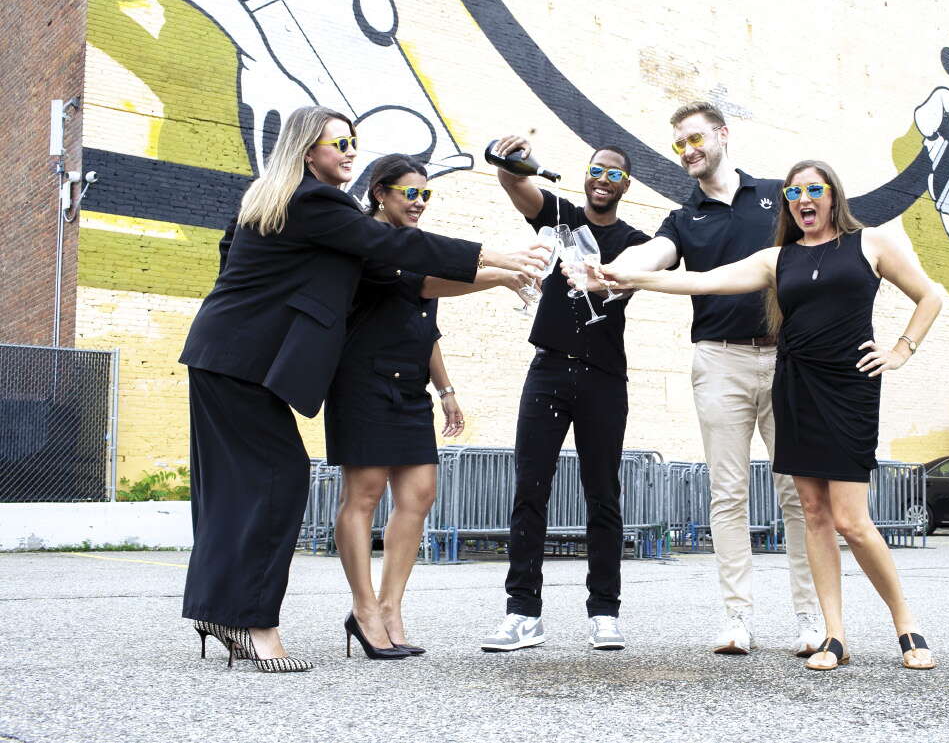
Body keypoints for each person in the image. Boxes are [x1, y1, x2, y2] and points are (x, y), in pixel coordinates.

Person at [180, 106, 545, 672]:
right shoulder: (314, 201)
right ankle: (254, 624)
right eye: (339, 143)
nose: (350, 151)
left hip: (226, 354)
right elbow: (402, 249)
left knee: (232, 488)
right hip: (240, 361)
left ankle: (219, 611)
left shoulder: (279, 202)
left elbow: (392, 272)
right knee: (277, 479)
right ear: (308, 152)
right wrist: (499, 255)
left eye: (354, 143)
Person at [597, 159, 942, 671]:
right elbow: (704, 282)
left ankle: (906, 625)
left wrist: (900, 350)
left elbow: (930, 295)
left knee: (852, 518)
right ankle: (834, 636)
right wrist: (624, 275)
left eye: (814, 189)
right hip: (795, 387)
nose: (804, 199)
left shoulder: (872, 244)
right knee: (815, 515)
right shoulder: (776, 258)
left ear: (832, 194)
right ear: (787, 203)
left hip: (848, 389)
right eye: (794, 192)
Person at [602, 102, 820, 655]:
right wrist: (615, 269)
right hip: (718, 361)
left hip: (786, 360)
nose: (688, 150)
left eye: (695, 138)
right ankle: (737, 620)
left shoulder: (777, 195)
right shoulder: (685, 215)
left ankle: (812, 618)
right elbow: (652, 254)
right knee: (727, 494)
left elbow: (827, 248)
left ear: (722, 135)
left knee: (798, 493)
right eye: (680, 144)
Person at [326, 154, 530, 660]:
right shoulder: (365, 240)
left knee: (419, 494)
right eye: (408, 193)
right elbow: (420, 284)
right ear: (380, 193)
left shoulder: (412, 245)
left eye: (425, 195)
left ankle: (391, 606)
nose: (418, 203)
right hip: (363, 380)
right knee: (365, 495)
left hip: (410, 385)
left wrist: (446, 389)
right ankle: (364, 606)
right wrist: (503, 273)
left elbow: (424, 323)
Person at [478, 135, 651, 652]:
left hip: (603, 375)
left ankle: (604, 612)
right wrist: (506, 155)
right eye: (596, 171)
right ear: (586, 174)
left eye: (614, 175)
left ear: (626, 185)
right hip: (548, 369)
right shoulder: (561, 216)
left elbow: (658, 266)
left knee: (603, 493)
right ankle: (522, 613)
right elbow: (514, 181)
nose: (602, 181)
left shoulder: (638, 240)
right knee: (530, 489)